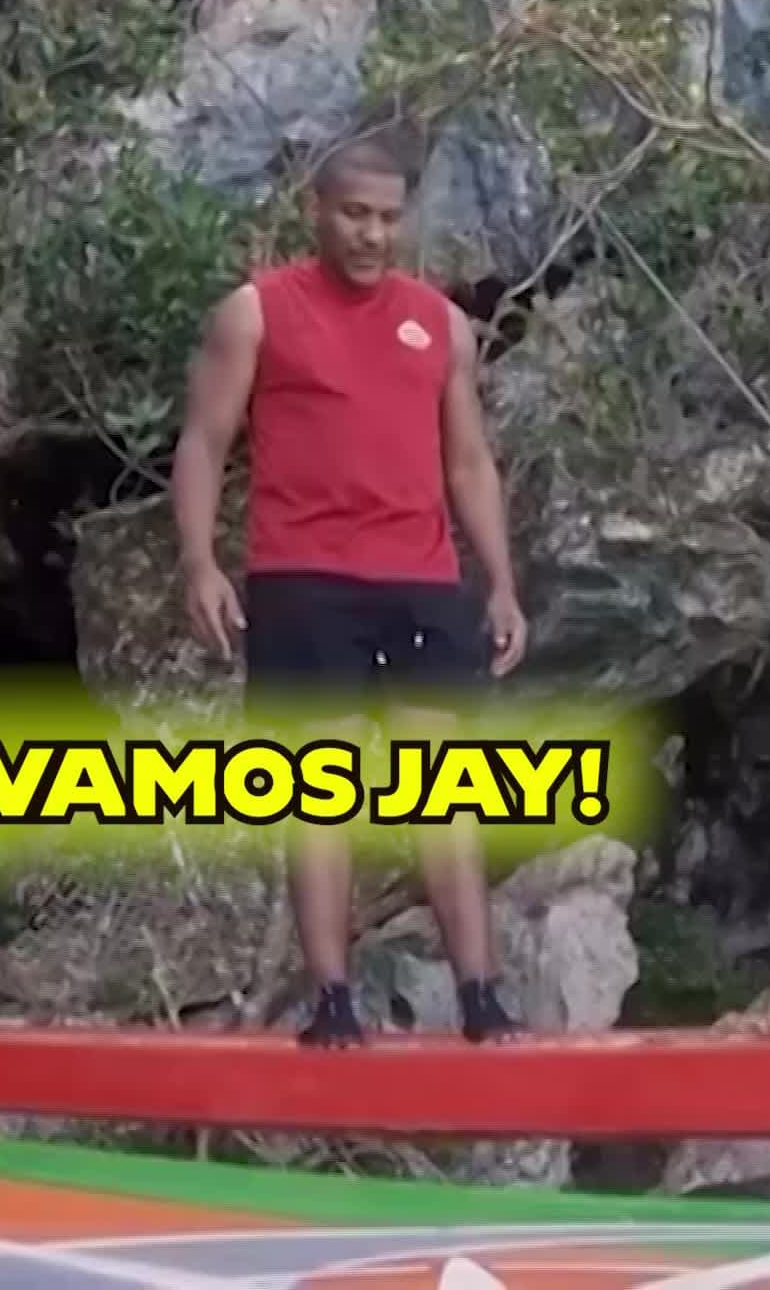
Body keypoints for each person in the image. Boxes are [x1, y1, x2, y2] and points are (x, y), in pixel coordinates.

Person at [170, 133, 528, 1047]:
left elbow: (469, 462)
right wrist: (199, 563)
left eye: (388, 218)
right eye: (355, 215)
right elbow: (204, 440)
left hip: (421, 579)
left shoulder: (440, 323)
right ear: (318, 212)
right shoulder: (255, 313)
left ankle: (483, 998)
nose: (372, 234)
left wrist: (501, 582)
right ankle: (333, 1005)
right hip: (305, 580)